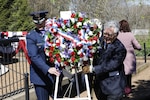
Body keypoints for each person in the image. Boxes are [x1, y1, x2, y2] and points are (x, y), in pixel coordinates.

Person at [82, 20, 127, 100]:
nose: (106, 36)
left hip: (114, 86)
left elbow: (110, 65)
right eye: (104, 33)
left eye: (109, 34)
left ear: (116, 35)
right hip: (100, 86)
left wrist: (93, 69)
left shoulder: (120, 48)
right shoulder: (99, 42)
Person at [26, 11, 60, 100]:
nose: (40, 25)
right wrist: (47, 69)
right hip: (40, 77)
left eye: (41, 22)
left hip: (55, 74)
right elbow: (34, 56)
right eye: (37, 23)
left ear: (45, 20)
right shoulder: (32, 36)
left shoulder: (53, 33)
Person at [117, 19, 142, 96]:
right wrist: (135, 47)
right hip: (129, 57)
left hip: (119, 57)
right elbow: (138, 46)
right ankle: (127, 90)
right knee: (128, 75)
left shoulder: (117, 35)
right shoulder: (130, 35)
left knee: (121, 74)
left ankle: (122, 90)